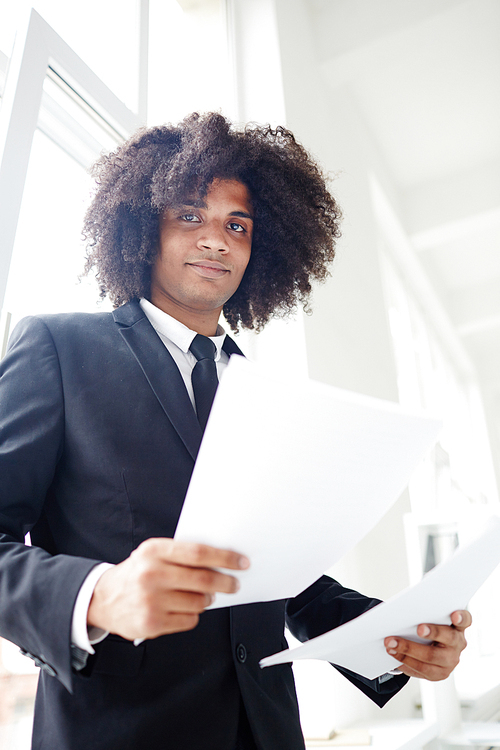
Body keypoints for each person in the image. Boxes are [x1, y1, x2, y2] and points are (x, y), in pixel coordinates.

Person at [0, 113, 470, 750]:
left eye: (237, 225)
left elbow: (277, 571)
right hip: (122, 731)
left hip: (267, 731)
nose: (217, 241)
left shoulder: (264, 391)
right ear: (142, 228)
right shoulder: (58, 347)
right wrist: (96, 595)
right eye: (191, 216)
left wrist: (391, 640)